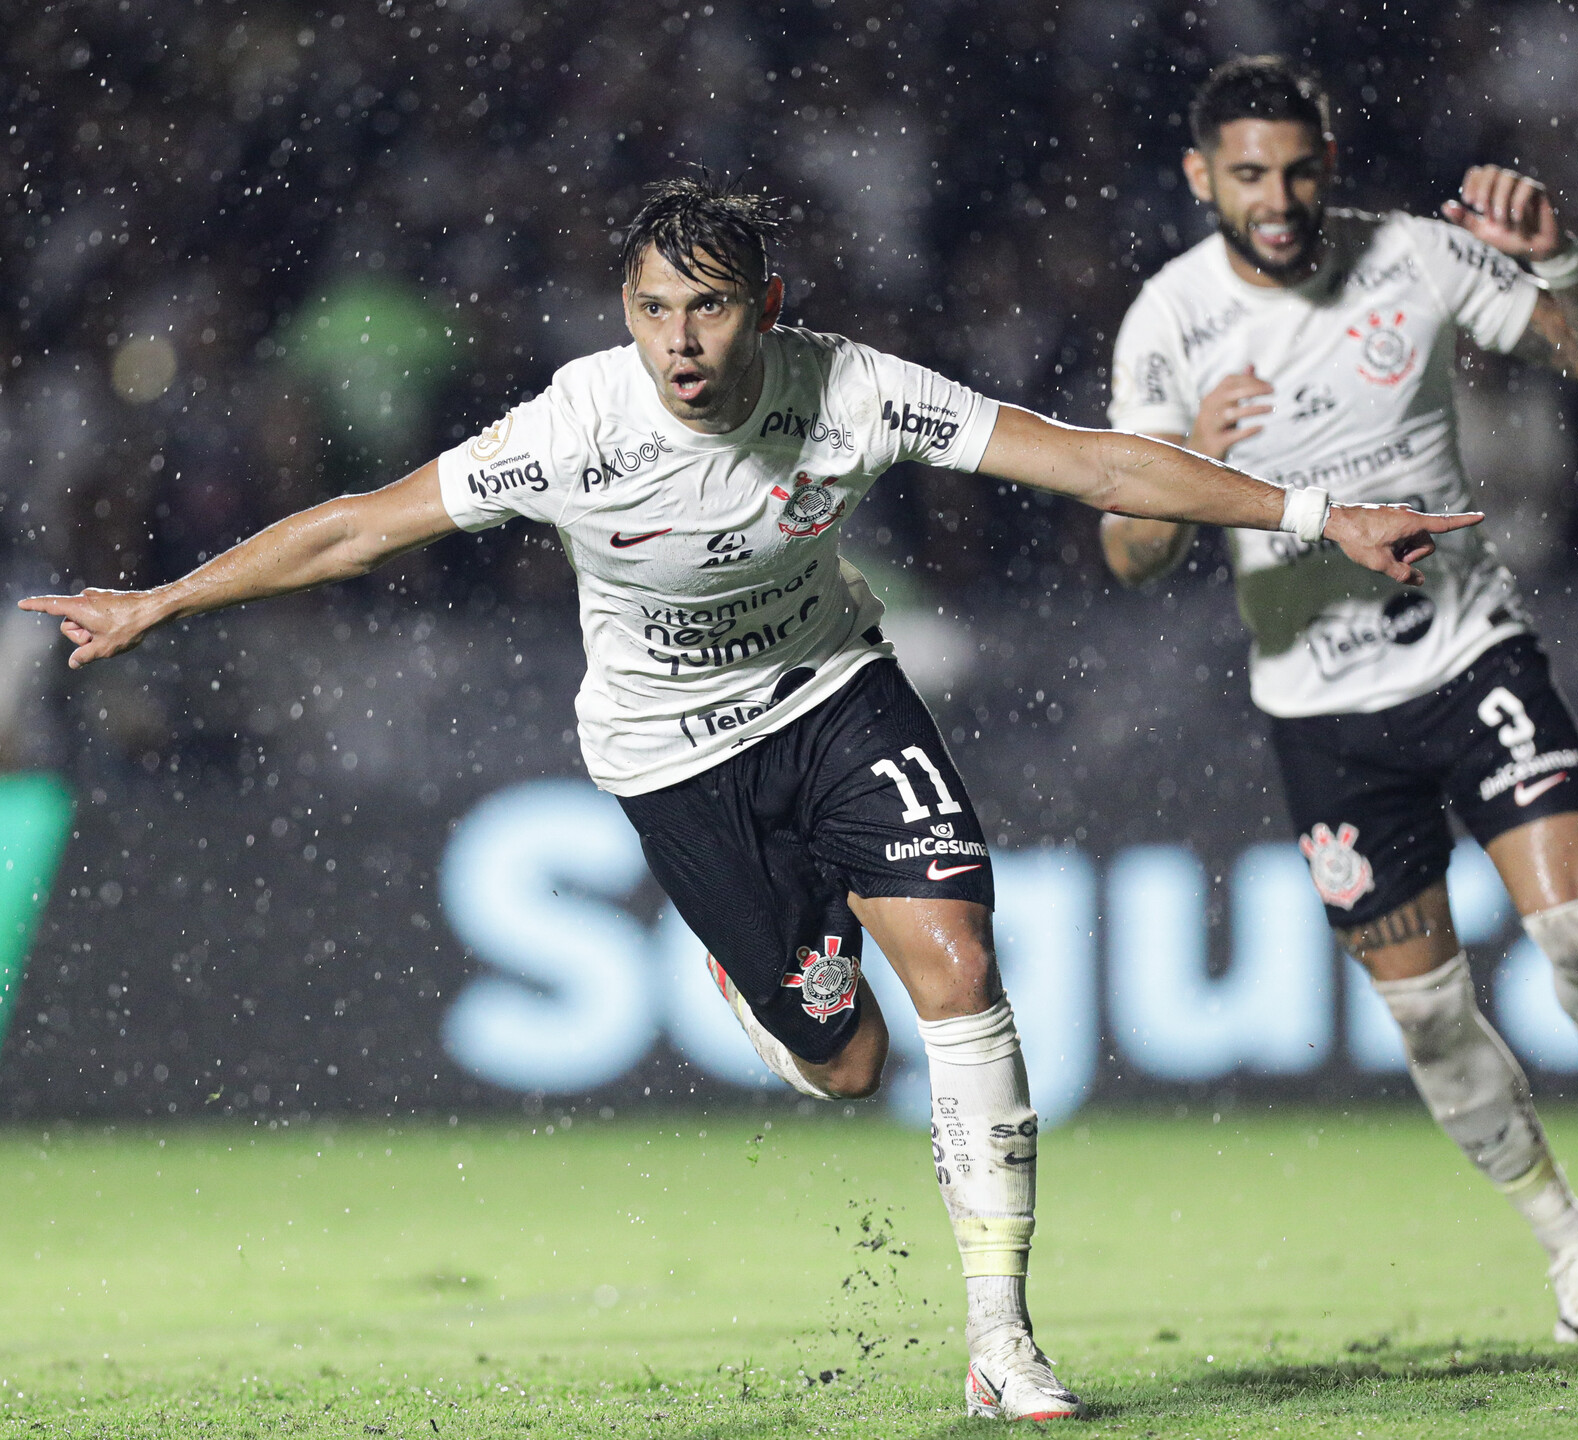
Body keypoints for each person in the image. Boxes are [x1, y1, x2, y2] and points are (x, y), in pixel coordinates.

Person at [23, 177, 1469, 1418]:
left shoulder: (854, 387)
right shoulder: (574, 423)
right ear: (626, 310)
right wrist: (162, 602)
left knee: (962, 968)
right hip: (669, 757)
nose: (680, 341)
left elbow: (1086, 461)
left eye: (707, 308)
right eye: (654, 309)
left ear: (763, 305)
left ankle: (996, 1335)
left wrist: (1316, 514)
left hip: (835, 696)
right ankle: (757, 979)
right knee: (842, 1066)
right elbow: (356, 526)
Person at [1100, 56, 1578, 1345]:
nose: (1280, 199)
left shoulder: (1416, 257)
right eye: (1251, 175)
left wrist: (1560, 268)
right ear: (1203, 178)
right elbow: (1126, 553)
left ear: (1329, 159)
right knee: (1430, 1017)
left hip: (1468, 649)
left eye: (1301, 168)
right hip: (1322, 714)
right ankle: (1566, 1237)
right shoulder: (1166, 322)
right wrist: (1190, 460)